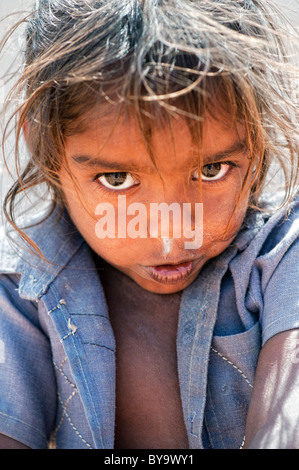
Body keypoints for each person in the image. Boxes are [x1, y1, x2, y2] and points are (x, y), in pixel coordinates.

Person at [0, 0, 298, 449]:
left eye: (212, 169)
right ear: (44, 142)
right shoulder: (20, 293)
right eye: (116, 179)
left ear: (256, 141)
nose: (169, 232)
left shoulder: (282, 257)